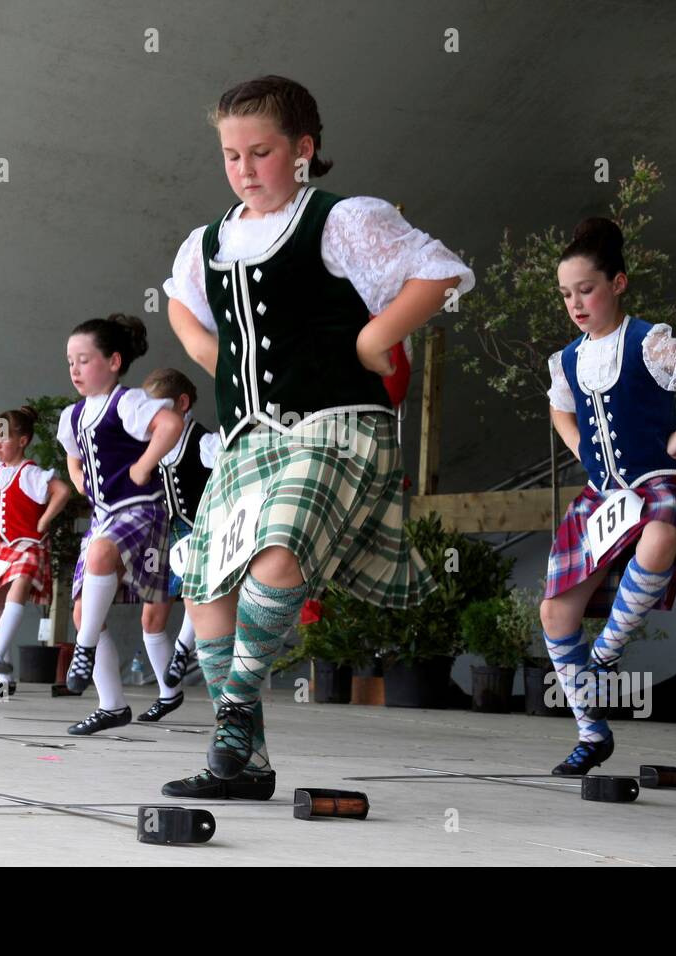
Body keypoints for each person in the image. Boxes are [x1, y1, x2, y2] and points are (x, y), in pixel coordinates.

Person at [163, 74, 473, 798]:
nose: (245, 169)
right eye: (232, 156)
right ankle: (250, 765)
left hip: (337, 426)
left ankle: (234, 706)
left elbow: (440, 274)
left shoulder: (341, 220)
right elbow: (181, 303)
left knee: (280, 548)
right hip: (248, 439)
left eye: (261, 152)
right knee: (204, 583)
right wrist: (215, 358)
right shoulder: (207, 242)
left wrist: (375, 339)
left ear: (303, 151)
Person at [542, 217, 676, 774]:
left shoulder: (648, 343)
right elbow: (559, 406)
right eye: (566, 294)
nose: (576, 303)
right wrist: (580, 446)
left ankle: (606, 654)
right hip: (603, 493)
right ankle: (591, 731)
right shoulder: (567, 360)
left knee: (660, 535)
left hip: (656, 482)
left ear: (618, 283)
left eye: (587, 290)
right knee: (555, 610)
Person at [56, 315, 184, 734]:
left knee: (100, 554)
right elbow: (73, 455)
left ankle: (85, 649)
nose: (74, 369)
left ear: (113, 361)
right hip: (105, 516)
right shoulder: (73, 415)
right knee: (81, 611)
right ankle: (111, 704)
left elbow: (169, 425)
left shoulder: (127, 403)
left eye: (84, 360)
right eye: (70, 361)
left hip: (141, 511)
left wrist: (145, 465)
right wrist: (77, 478)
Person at [0, 406, 71, 697]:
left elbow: (63, 491)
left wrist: (44, 520)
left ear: (22, 440)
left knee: (17, 590)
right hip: (4, 547)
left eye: (4, 439)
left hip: (29, 545)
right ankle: (2, 676)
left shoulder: (31, 473)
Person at [142, 368, 221, 702]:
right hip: (162, 536)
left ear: (183, 403)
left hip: (197, 528)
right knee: (150, 617)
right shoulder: (152, 447)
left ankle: (181, 651)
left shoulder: (204, 442)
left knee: (194, 593)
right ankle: (167, 692)